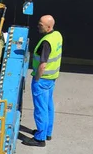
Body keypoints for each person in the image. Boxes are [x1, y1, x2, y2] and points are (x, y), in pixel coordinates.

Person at [22, 15, 63, 147]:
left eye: (41, 25)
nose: (38, 26)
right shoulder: (57, 35)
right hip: (52, 78)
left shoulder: (46, 43)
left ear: (49, 27)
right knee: (49, 105)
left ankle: (40, 138)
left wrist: (37, 79)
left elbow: (43, 64)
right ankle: (47, 132)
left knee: (40, 109)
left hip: (42, 79)